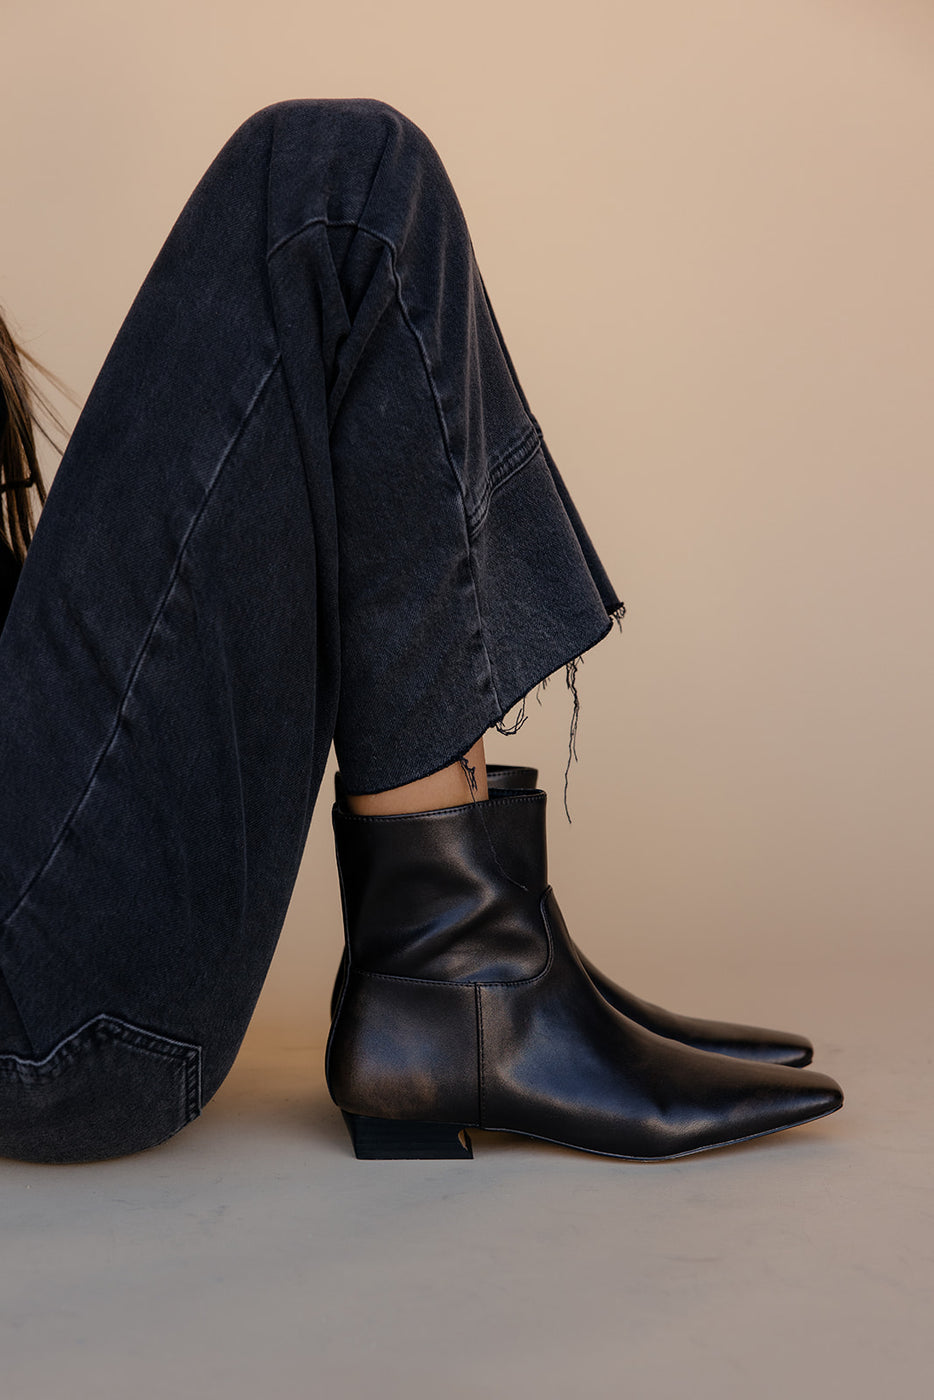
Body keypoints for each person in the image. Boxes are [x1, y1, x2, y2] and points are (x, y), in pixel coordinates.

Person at [0, 98, 842, 1165]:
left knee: (347, 186)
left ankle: (484, 952)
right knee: (332, 187)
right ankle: (462, 969)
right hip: (34, 1009)